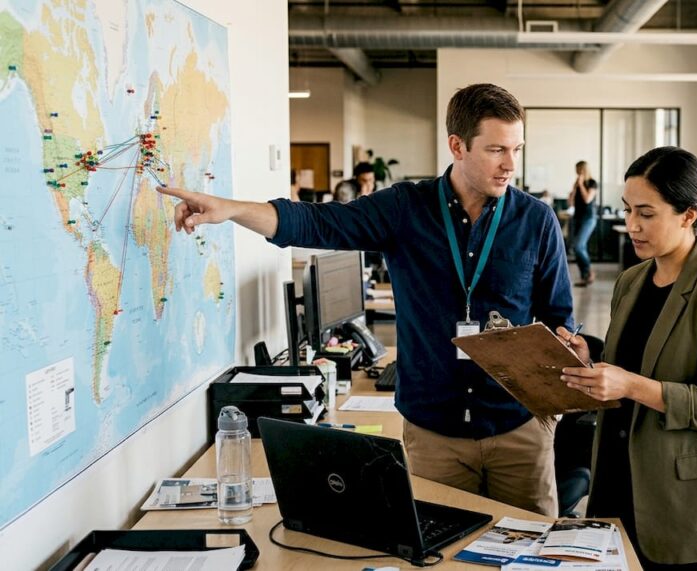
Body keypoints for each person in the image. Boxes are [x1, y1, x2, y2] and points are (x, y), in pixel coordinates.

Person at [158, 83, 574, 516]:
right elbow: (320, 223)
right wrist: (231, 209)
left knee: (534, 552)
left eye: (517, 149)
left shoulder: (536, 220)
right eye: (496, 150)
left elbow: (560, 317)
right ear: (458, 146)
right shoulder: (405, 208)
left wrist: (556, 394)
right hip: (434, 435)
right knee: (437, 552)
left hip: (518, 430)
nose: (510, 165)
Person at [558, 146, 697, 570]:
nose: (631, 225)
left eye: (646, 214)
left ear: (689, 214)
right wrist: (590, 356)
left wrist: (631, 386)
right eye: (628, 210)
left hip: (683, 501)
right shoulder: (631, 282)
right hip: (618, 483)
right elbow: (637, 358)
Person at [569, 161, 599, 286]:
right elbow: (570, 202)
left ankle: (589, 272)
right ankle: (584, 277)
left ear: (583, 170)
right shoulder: (577, 184)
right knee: (579, 248)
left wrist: (581, 185)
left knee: (578, 246)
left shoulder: (592, 183)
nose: (577, 172)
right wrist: (575, 188)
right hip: (577, 218)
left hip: (588, 218)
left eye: (579, 170)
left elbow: (587, 199)